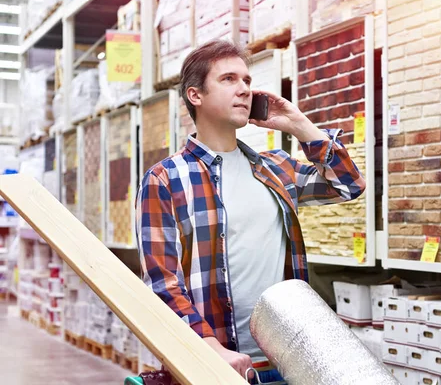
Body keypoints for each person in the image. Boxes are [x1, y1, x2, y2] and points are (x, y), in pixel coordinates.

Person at [135, 39, 366, 383]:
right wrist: (211, 348)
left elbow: (349, 185)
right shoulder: (166, 179)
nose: (244, 89)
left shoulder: (276, 168)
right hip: (216, 364)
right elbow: (162, 283)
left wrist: (299, 125)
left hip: (291, 361)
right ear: (195, 95)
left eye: (247, 80)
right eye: (229, 79)